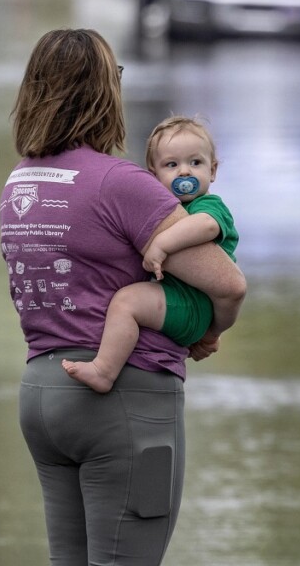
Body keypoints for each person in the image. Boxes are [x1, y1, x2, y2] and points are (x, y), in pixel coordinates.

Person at [0, 29, 246, 566]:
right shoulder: (122, 183)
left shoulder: (22, 182)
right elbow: (227, 282)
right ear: (103, 90)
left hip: (43, 394)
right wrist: (211, 331)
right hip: (123, 406)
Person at [62, 115, 238, 394]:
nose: (184, 173)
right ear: (153, 175)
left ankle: (103, 371)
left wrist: (162, 244)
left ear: (213, 170)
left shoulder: (210, 206)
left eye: (196, 163)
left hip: (191, 304)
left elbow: (205, 226)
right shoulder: (161, 207)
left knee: (126, 302)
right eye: (172, 164)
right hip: (181, 301)